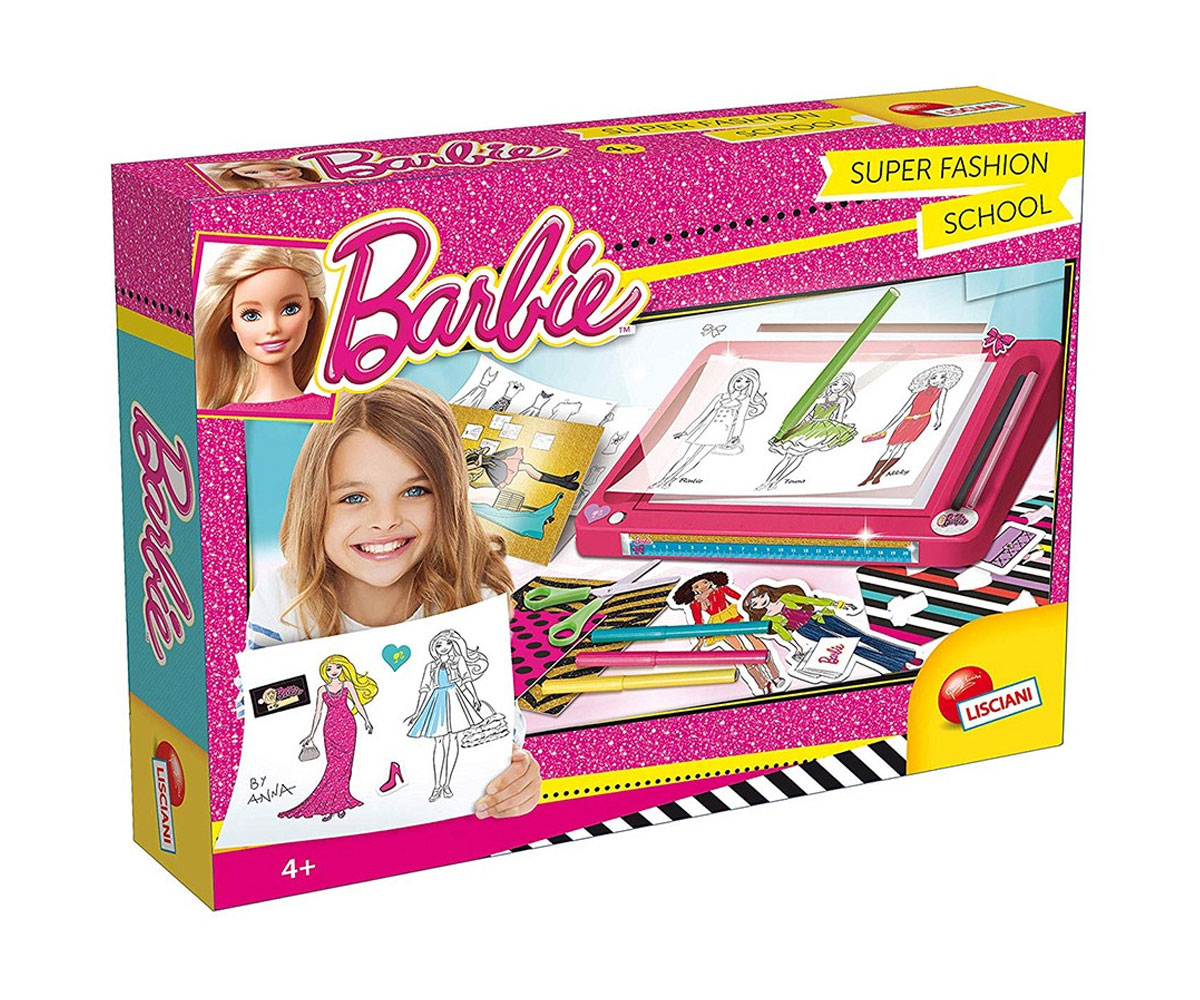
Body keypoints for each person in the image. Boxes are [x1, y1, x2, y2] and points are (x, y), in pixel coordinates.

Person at [247, 379, 540, 819]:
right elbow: (255, 712)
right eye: (354, 498)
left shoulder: (471, 594)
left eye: (415, 491)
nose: (385, 520)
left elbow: (498, 724)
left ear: (448, 498)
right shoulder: (286, 599)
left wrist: (516, 775)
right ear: (314, 505)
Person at [194, 244, 327, 411]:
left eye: (290, 309)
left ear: (311, 309)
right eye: (251, 315)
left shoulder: (331, 412)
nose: (272, 327)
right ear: (231, 321)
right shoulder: (224, 417)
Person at [279, 655, 376, 823]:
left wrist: (366, 720)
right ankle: (330, 806)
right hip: (330, 728)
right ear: (325, 671)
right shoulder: (322, 690)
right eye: (329, 668)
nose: (334, 671)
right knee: (333, 766)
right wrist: (311, 734)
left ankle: (339, 804)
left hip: (347, 726)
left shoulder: (348, 685)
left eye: (337, 667)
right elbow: (318, 713)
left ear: (343, 668)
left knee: (345, 767)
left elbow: (357, 703)